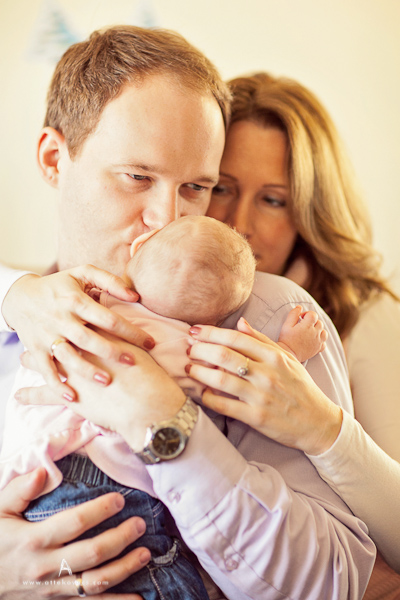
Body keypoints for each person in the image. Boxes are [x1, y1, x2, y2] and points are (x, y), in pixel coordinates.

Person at [0, 25, 375, 600]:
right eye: (137, 177)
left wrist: (165, 423)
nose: (168, 218)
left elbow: (335, 583)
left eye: (197, 188)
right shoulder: (15, 317)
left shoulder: (270, 317)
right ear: (54, 159)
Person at [1, 215, 326, 598]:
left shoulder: (76, 310)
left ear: (139, 248)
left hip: (35, 479)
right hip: (111, 485)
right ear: (216, 318)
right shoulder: (189, 346)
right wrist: (289, 351)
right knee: (161, 574)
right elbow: (246, 388)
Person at [201, 72, 400, 582]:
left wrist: (320, 427)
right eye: (222, 187)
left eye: (273, 200)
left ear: (309, 211)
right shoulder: (168, 299)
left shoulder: (367, 314)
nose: (238, 223)